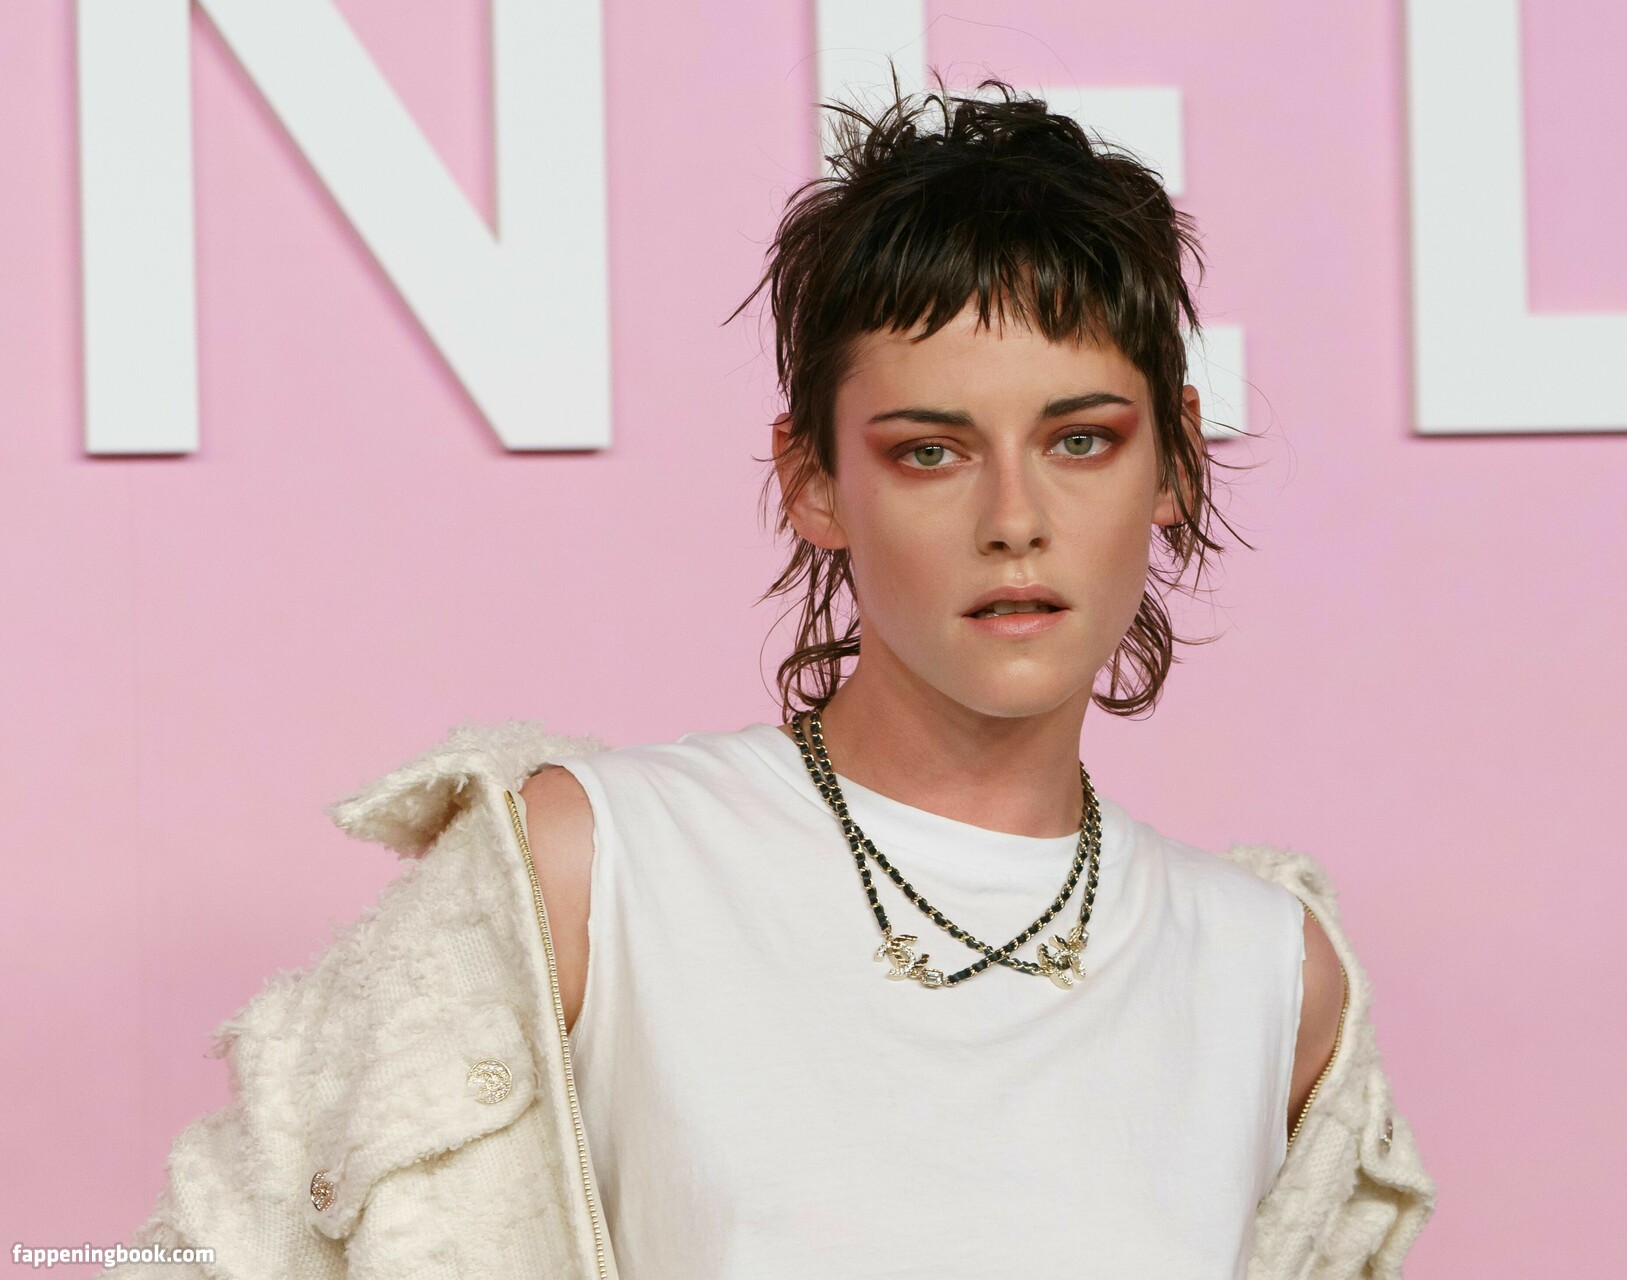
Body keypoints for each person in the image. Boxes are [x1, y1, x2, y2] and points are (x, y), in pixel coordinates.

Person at [110, 78, 1432, 1280]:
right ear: (815, 481)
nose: (1015, 519)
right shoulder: (590, 872)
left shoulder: (1271, 975)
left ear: (1177, 458)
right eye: (930, 452)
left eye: (1081, 439)